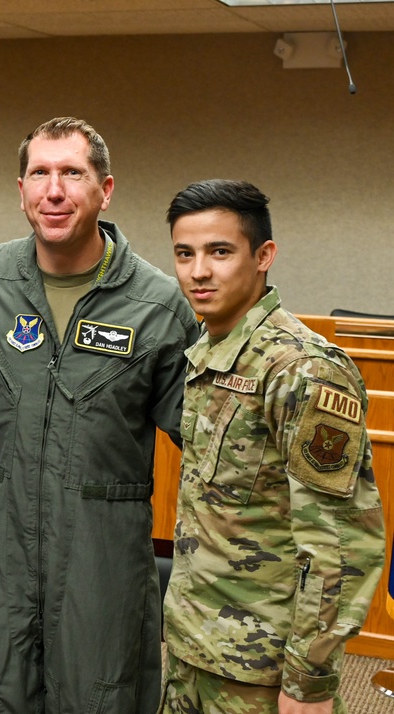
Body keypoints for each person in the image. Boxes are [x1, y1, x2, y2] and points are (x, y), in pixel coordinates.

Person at [0, 116, 199, 713]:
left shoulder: (157, 304)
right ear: (22, 188)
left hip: (101, 559)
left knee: (99, 696)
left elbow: (208, 445)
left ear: (104, 190)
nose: (53, 191)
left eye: (72, 174)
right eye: (40, 173)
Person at [160, 179, 385, 714]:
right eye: (184, 253)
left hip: (261, 669)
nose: (199, 272)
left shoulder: (302, 369)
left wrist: (308, 685)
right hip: (196, 646)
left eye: (219, 251)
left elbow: (341, 544)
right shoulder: (209, 355)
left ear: (263, 256)